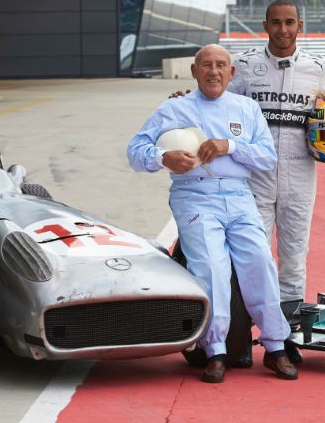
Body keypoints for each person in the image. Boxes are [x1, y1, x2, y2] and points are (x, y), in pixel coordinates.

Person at [127, 44, 298, 383]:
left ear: (232, 73)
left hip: (238, 195)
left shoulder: (246, 108)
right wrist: (163, 157)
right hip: (195, 195)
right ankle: (215, 350)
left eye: (221, 65)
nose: (214, 71)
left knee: (260, 261)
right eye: (206, 65)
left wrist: (229, 146)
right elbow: (135, 150)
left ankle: (276, 346)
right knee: (211, 268)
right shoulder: (174, 108)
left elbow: (267, 157)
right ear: (194, 71)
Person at [228, 0, 325, 311]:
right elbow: (215, 100)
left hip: (300, 172)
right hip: (255, 173)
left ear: (299, 26)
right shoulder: (243, 64)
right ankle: (244, 323)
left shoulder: (317, 67)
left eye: (290, 22)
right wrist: (187, 100)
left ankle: (287, 324)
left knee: (295, 252)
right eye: (276, 22)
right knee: (252, 251)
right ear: (265, 25)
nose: (283, 29)